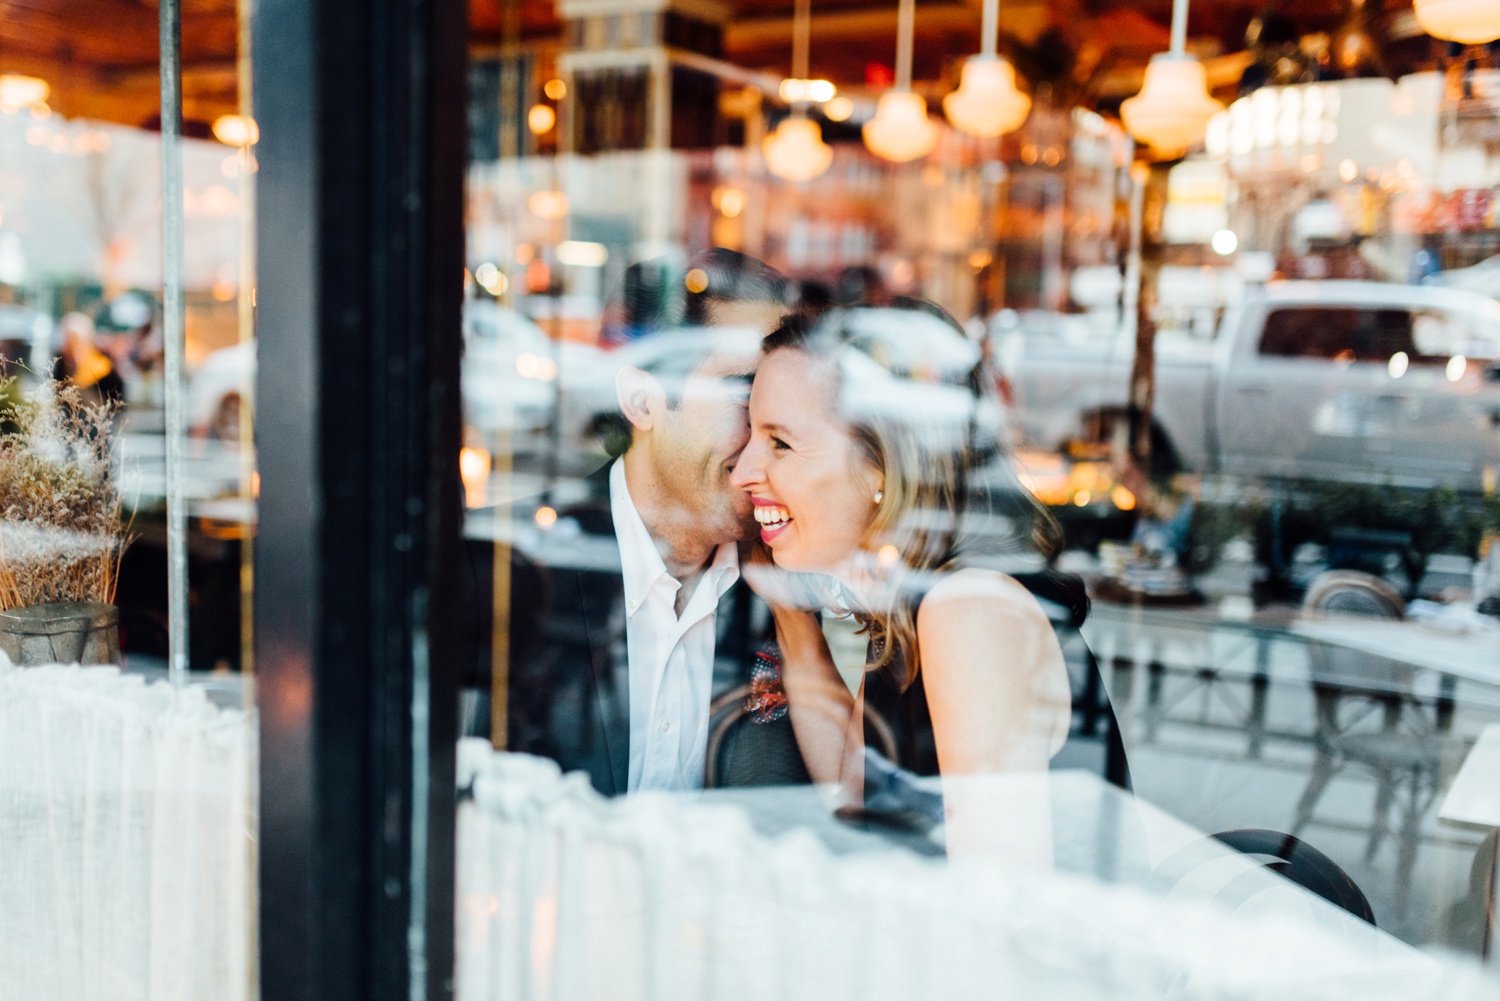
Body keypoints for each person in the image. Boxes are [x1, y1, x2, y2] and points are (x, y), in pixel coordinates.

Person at [730, 304, 1088, 862]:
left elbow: (1001, 897)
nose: (743, 471)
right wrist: (790, 612)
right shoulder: (918, 594)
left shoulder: (968, 613)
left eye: (779, 443)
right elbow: (863, 794)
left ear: (882, 466)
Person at [464, 248, 819, 796]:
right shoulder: (509, 563)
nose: (768, 438)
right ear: (642, 400)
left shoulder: (799, 585)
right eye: (744, 392)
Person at [52, 312, 125, 407]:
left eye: (73, 340)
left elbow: (116, 407)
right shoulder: (61, 365)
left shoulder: (103, 370)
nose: (68, 346)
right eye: (67, 340)